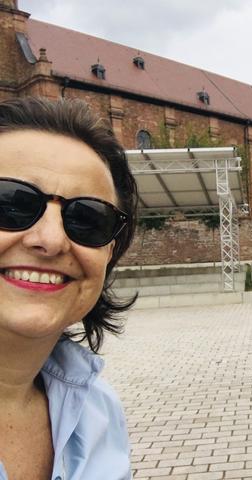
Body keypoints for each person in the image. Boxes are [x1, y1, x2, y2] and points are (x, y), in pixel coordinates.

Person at [0, 97, 138, 479]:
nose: (52, 239)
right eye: (10, 202)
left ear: (110, 251)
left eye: (88, 217)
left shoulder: (97, 411)